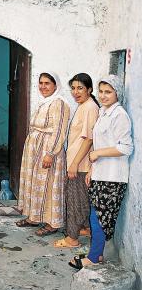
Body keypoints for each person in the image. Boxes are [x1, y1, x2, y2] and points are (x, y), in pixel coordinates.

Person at [69, 75, 133, 269]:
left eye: (109, 92)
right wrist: (92, 170)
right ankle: (96, 254)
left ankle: (94, 257)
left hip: (113, 177)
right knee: (96, 217)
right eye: (102, 91)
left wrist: (97, 154)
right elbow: (100, 141)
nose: (104, 96)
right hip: (100, 174)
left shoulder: (120, 115)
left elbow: (126, 147)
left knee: (99, 219)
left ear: (117, 93)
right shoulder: (104, 112)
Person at [16, 72, 70, 235]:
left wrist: (50, 153)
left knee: (49, 186)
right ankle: (34, 217)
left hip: (48, 151)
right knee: (36, 185)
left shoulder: (59, 103)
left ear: (55, 85)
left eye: (47, 83)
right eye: (41, 83)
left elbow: (59, 131)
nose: (43, 86)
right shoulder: (44, 102)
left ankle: (53, 223)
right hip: (35, 150)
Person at [54, 73, 99, 248]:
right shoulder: (84, 106)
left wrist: (73, 164)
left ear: (89, 89)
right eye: (73, 88)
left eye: (80, 88)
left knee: (75, 201)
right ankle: (85, 228)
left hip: (80, 164)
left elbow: (88, 139)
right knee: (81, 199)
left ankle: (71, 239)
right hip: (77, 161)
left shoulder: (89, 108)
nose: (75, 92)